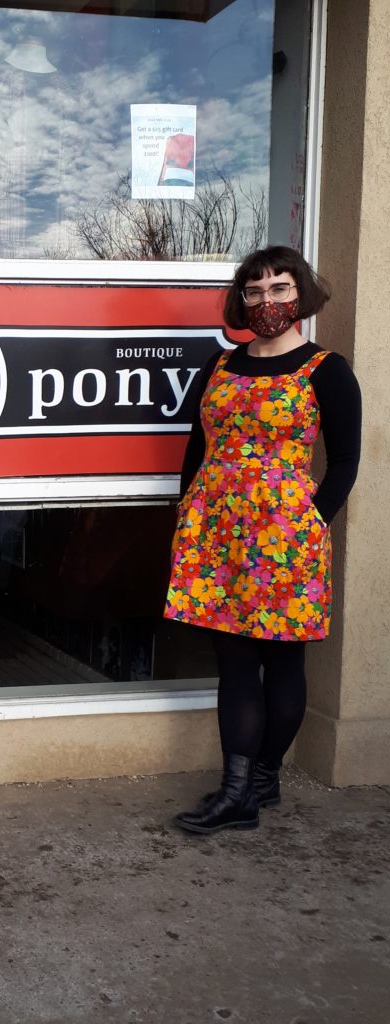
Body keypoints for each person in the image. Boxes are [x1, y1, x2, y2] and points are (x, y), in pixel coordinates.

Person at [164, 246, 361, 835]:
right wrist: (188, 509)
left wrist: (312, 522)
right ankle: (237, 791)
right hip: (217, 536)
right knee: (235, 661)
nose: (266, 300)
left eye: (279, 288)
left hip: (285, 540)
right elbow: (197, 447)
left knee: (283, 658)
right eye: (254, 291)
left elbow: (345, 462)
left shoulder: (326, 369)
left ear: (300, 293)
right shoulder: (220, 366)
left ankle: (262, 778)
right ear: (241, 300)